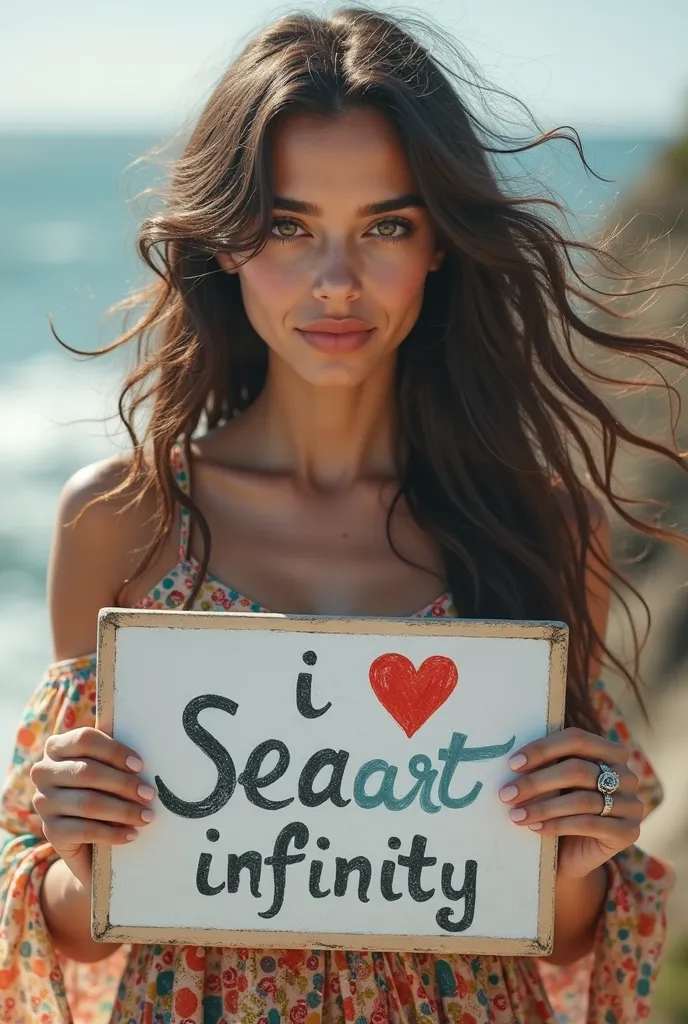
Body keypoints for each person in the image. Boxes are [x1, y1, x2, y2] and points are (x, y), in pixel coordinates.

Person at [0, 6, 684, 1023]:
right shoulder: (120, 520)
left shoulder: (544, 528)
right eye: (288, 226)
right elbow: (73, 925)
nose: (336, 281)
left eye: (386, 227)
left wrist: (582, 855)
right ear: (227, 242)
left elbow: (563, 929)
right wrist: (78, 850)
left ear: (439, 246)